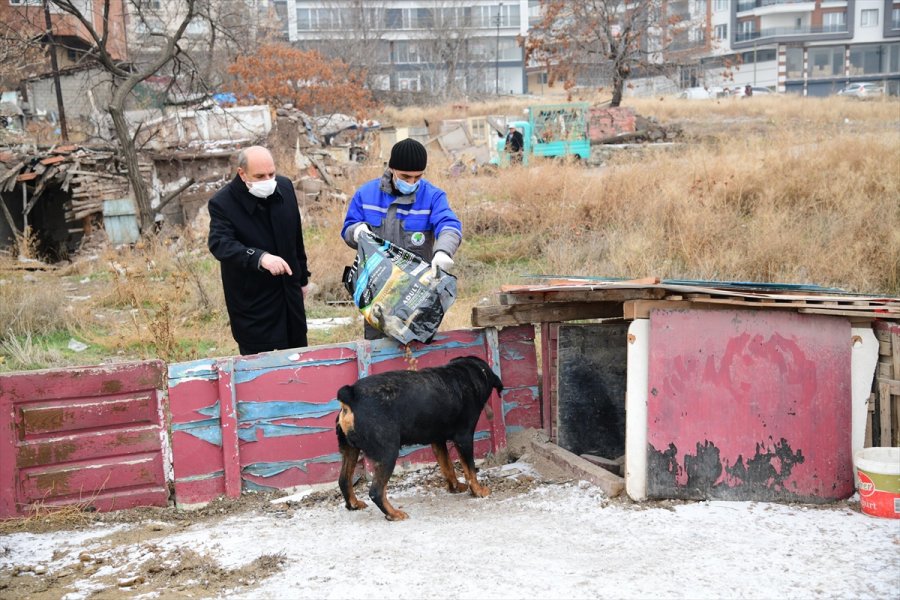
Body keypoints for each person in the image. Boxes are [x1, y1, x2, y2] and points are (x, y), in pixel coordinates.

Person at [341, 138, 462, 340]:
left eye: (418, 177)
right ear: (392, 168)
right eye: (406, 177)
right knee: (380, 358)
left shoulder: (433, 197)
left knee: (418, 356)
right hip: (378, 295)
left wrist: (443, 251)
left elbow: (449, 224)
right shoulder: (366, 195)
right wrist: (356, 231)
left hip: (418, 297)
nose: (412, 183)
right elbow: (348, 229)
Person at [208, 145, 311, 355]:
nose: (267, 181)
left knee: (299, 364)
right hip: (254, 304)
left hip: (290, 300)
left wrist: (302, 280)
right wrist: (259, 257)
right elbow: (220, 244)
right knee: (262, 375)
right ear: (242, 173)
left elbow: (296, 239)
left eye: (271, 174)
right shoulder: (223, 203)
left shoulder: (284, 187)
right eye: (260, 176)